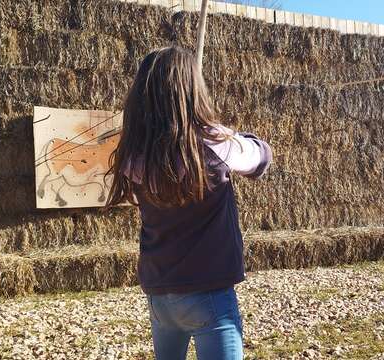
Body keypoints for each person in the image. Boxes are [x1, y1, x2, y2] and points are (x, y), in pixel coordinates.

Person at [106, 46, 272, 360]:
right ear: (191, 89)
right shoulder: (215, 144)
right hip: (207, 294)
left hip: (160, 297)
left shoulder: (136, 155)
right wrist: (229, 135)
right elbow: (261, 157)